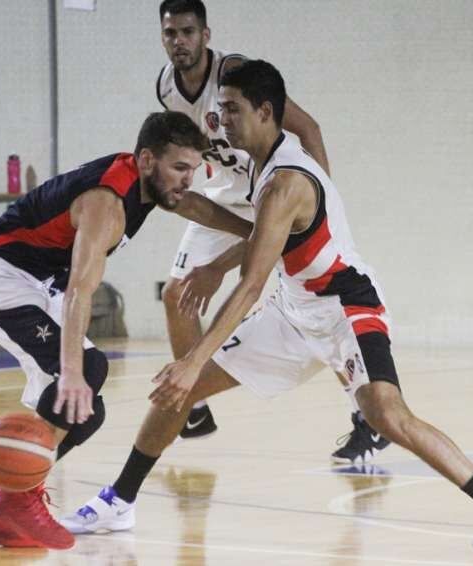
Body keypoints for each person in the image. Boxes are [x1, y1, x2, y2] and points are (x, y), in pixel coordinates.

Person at [60, 61, 473, 556]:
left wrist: (193, 358)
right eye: (220, 108)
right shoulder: (263, 165)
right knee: (176, 396)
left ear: (265, 112)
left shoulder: (284, 181)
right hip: (295, 310)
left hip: (346, 309)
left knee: (387, 415)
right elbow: (269, 240)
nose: (221, 120)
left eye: (231, 109)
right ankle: (120, 498)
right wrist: (214, 268)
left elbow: (251, 285)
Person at [0, 111, 252, 550]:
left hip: (38, 283)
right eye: (180, 169)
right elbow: (80, 291)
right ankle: (17, 498)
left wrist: (257, 230)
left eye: (193, 169)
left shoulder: (151, 184)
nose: (189, 180)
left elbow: (196, 205)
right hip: (0, 277)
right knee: (84, 375)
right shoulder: (107, 203)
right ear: (148, 159)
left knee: (86, 412)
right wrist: (71, 371)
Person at [155, 0, 381, 460]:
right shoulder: (166, 88)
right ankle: (192, 403)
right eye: (170, 33)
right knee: (176, 294)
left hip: (272, 189)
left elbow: (308, 127)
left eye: (187, 32)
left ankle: (364, 414)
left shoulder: (233, 74)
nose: (179, 41)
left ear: (206, 35)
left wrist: (321, 202)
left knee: (311, 301)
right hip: (226, 194)